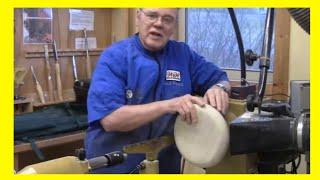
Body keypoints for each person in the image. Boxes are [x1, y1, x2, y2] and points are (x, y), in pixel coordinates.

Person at [85, 8, 230, 174]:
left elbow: (220, 78)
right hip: (116, 166)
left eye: (167, 19)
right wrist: (169, 105)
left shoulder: (183, 55)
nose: (159, 24)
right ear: (139, 16)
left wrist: (219, 88)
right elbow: (110, 119)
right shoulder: (115, 57)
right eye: (152, 16)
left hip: (165, 166)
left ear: (174, 26)